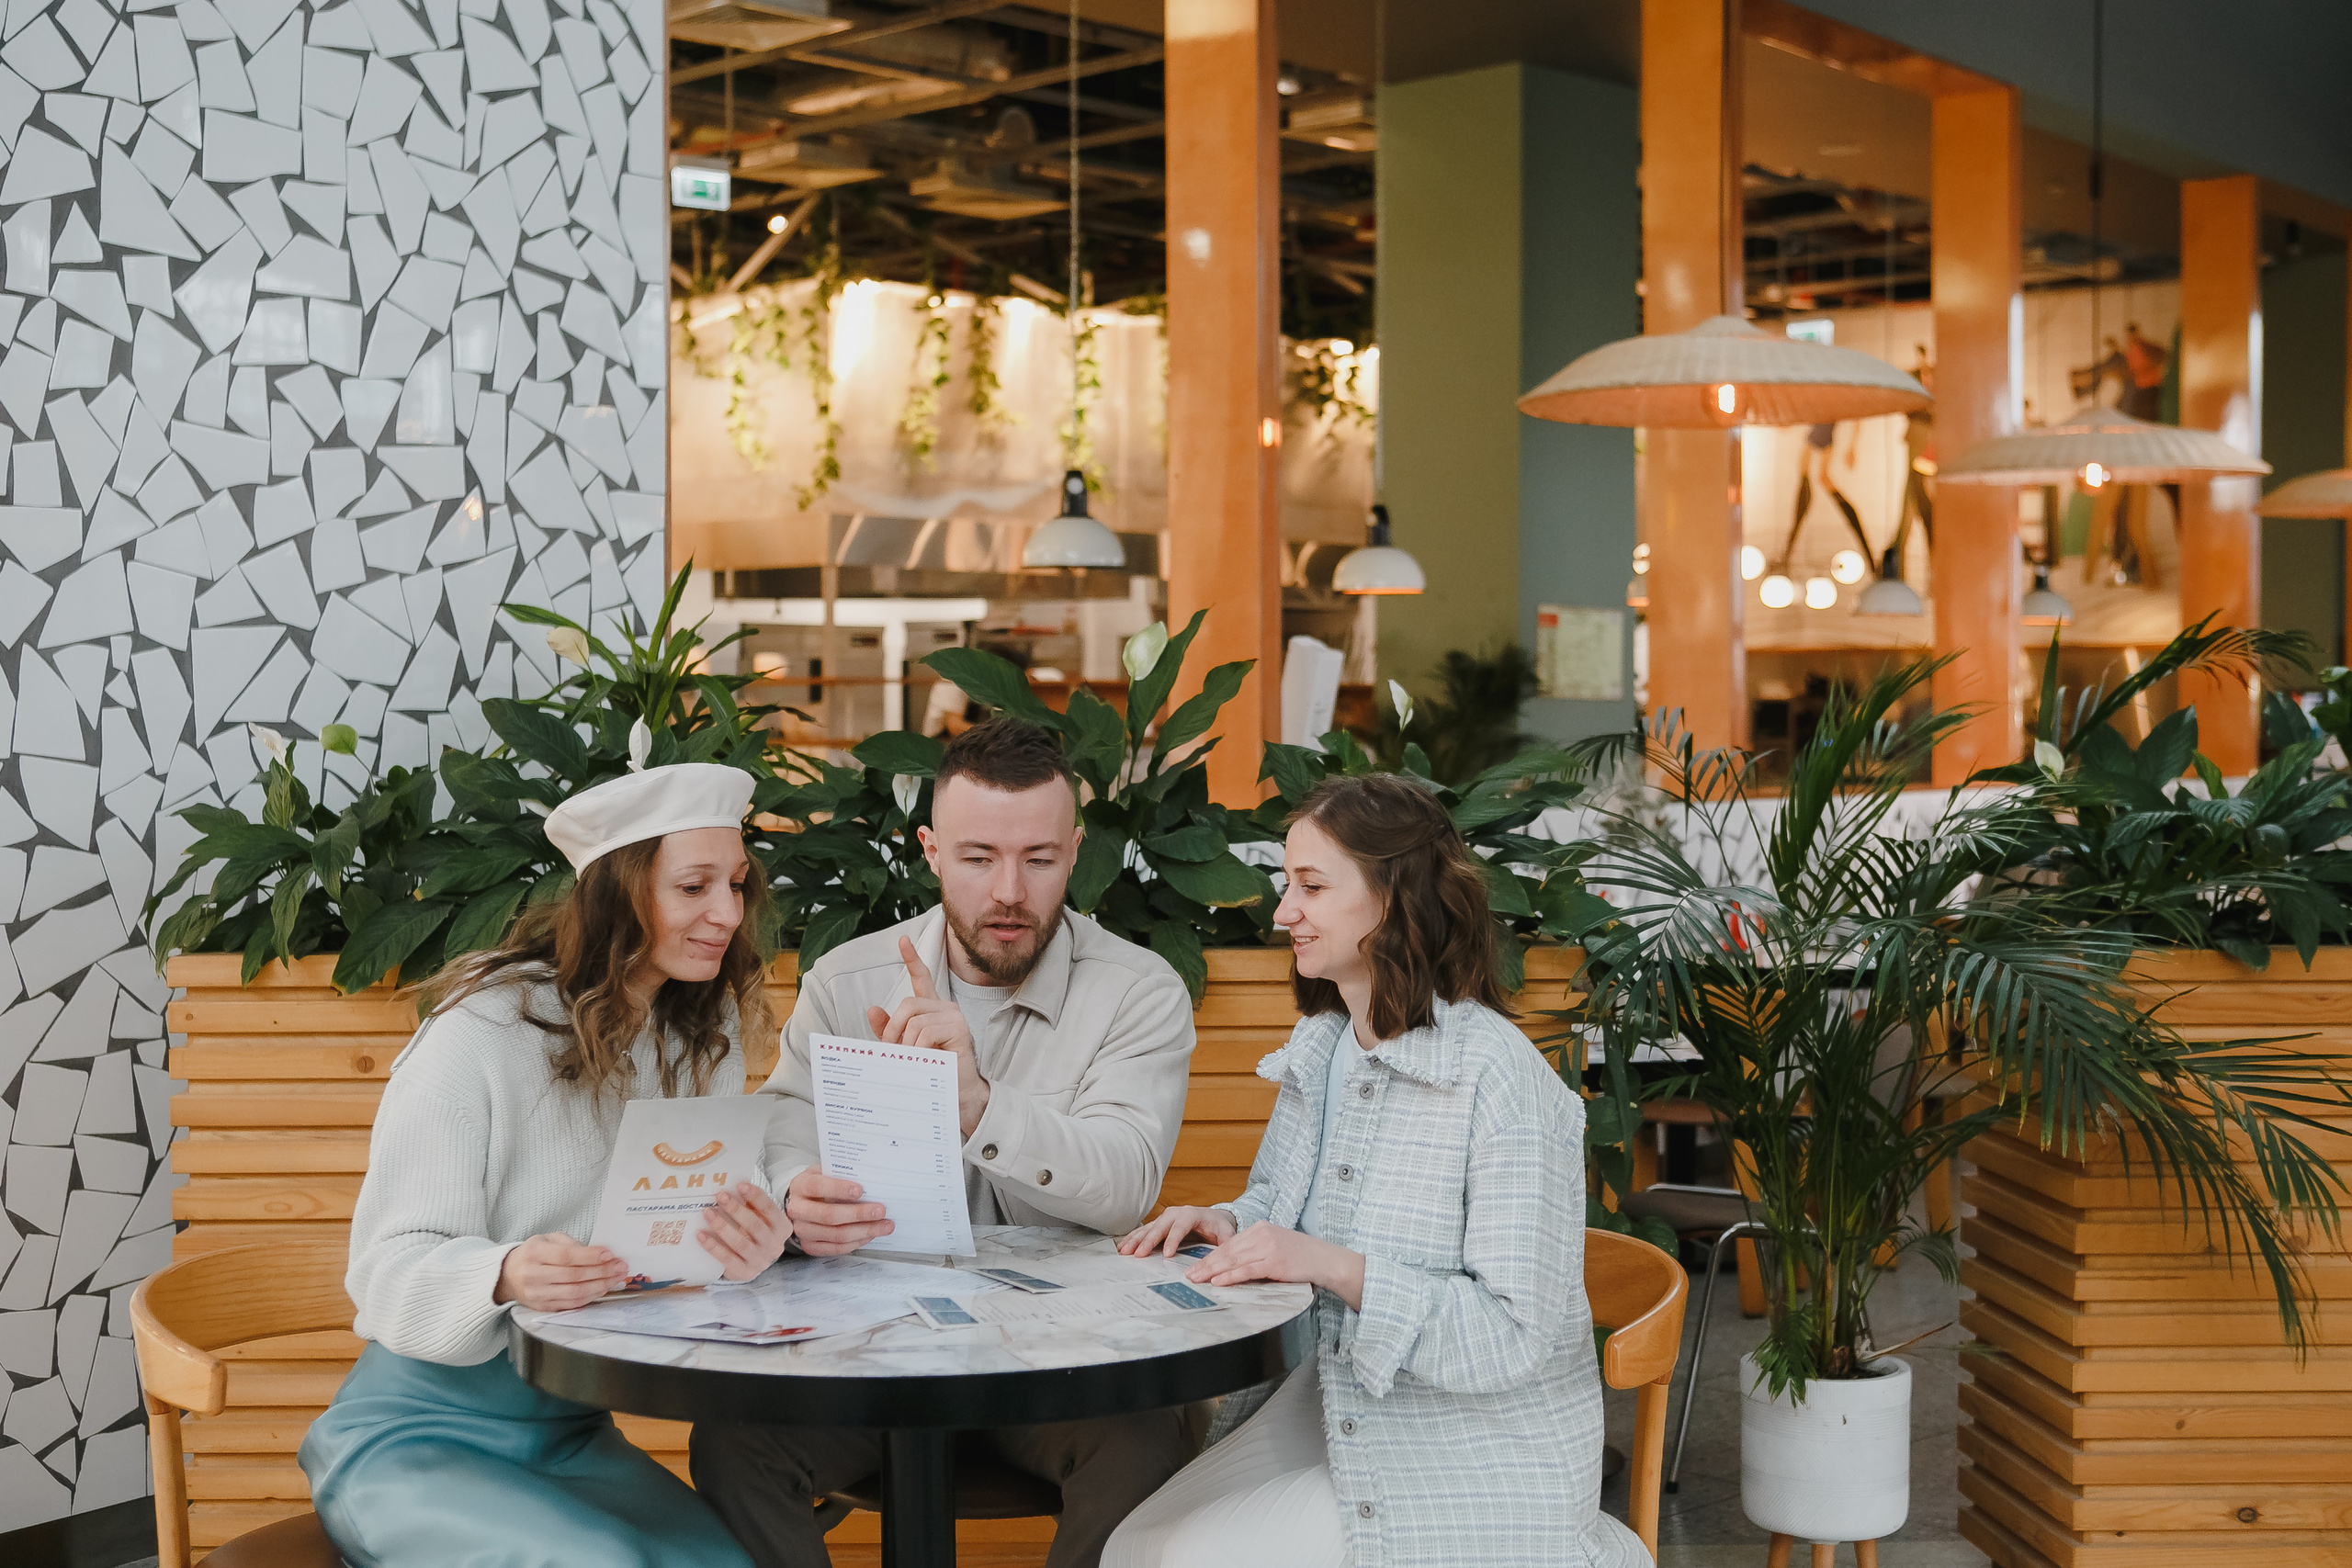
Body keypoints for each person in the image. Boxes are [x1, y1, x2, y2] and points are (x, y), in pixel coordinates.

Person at [691, 716, 1199, 1568]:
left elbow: (1124, 1185)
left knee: (1147, 1446)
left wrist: (975, 1103)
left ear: (1076, 852)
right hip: (872, 1356)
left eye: (1039, 859)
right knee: (734, 1445)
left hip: (1061, 1365)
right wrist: (794, 1194)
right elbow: (780, 1129)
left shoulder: (1138, 991)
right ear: (930, 851)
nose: (1009, 890)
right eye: (978, 857)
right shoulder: (845, 982)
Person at [1106, 773, 1645, 1568]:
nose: (1283, 911)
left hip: (1475, 1455)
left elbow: (1511, 1338)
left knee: (1176, 1558)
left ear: (1393, 899)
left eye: (1312, 886)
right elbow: (1281, 1199)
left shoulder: (1500, 1078)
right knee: (1133, 1546)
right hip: (1333, 1400)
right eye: (1287, 884)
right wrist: (1229, 1221)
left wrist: (1329, 1264)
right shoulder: (1323, 1045)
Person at [300, 760, 793, 1568]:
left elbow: (684, 1222)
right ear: (618, 893)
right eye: (694, 887)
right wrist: (503, 1272)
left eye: (736, 884)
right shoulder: (480, 1032)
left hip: (573, 1434)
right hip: (413, 1437)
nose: (729, 914)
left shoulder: (700, 1032)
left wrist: (753, 1234)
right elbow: (383, 1271)